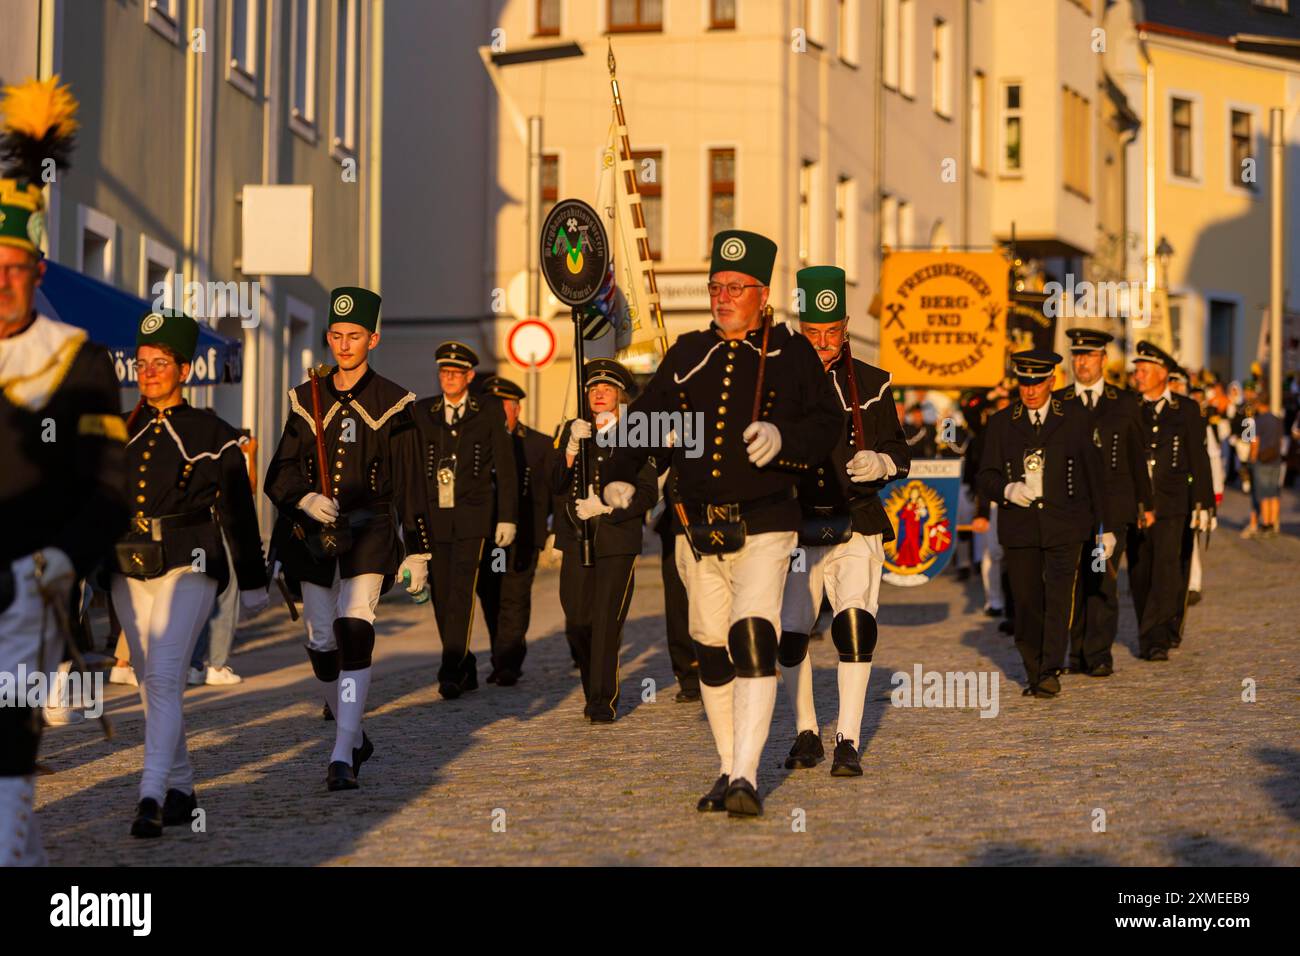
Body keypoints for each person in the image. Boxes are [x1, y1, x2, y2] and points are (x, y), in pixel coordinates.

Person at [600, 229, 843, 815]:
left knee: (751, 634)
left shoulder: (793, 354)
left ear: (763, 294)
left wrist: (785, 440)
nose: (723, 296)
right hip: (696, 529)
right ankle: (727, 764)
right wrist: (619, 472)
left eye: (736, 287)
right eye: (716, 286)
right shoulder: (686, 355)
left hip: (767, 522)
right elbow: (647, 422)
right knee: (710, 647)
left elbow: (827, 426)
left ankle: (747, 776)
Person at [0, 76, 129, 861]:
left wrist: (62, 560)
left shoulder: (77, 360)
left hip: (26, 585)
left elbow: (108, 489)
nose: (1, 281)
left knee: (8, 740)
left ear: (38, 273)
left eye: (15, 268)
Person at [264, 287, 429, 791]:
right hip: (314, 534)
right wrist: (305, 499)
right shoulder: (305, 397)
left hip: (372, 531)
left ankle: (341, 754)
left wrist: (418, 547)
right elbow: (278, 474)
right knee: (319, 637)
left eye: (354, 336)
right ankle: (354, 735)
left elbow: (411, 481)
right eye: (336, 335)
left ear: (373, 338)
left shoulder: (395, 403)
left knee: (354, 626)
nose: (344, 344)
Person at [111, 310, 269, 837]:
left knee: (162, 676)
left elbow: (238, 510)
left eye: (160, 363)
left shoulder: (213, 432)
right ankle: (180, 786)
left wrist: (252, 580)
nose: (149, 372)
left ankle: (150, 794)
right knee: (150, 683)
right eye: (142, 363)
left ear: (185, 368)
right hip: (126, 566)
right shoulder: (118, 431)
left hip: (191, 560)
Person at [777, 266, 909, 776]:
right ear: (800, 328)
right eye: (814, 334)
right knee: (791, 632)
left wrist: (882, 462)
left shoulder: (873, 383)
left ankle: (848, 740)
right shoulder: (779, 385)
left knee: (856, 624)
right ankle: (806, 731)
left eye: (833, 333)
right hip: (796, 521)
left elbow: (900, 450)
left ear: (847, 325)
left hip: (856, 518)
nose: (825, 344)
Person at [976, 350, 1105, 697]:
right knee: (1027, 601)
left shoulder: (1075, 418)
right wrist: (1006, 489)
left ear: (1052, 381)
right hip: (1020, 526)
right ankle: (1033, 666)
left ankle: (1048, 670)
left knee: (1059, 599)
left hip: (1066, 524)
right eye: (1024, 382)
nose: (1030, 390)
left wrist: (1101, 526)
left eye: (1037, 382)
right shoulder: (1002, 423)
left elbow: (1094, 474)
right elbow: (984, 476)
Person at [407, 342, 517, 698]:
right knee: (440, 593)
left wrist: (507, 517)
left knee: (461, 590)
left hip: (473, 514)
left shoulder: (487, 410)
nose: (449, 379)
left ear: (470, 376)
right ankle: (464, 661)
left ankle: (450, 668)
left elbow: (506, 466)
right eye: (444, 372)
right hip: (436, 515)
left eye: (456, 373)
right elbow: (411, 465)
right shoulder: (424, 412)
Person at [552, 359, 658, 722]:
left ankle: (602, 699)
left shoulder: (636, 432)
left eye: (607, 388)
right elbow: (551, 483)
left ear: (619, 395)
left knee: (606, 619)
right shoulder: (573, 429)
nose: (598, 393)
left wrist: (608, 506)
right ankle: (592, 683)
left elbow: (647, 493)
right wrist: (569, 448)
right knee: (578, 620)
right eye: (593, 388)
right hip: (574, 536)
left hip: (616, 538)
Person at [1055, 328, 1152, 678]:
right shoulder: (1060, 402)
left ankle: (1098, 653)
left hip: (1112, 507)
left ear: (1103, 360)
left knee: (1103, 579)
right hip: (1070, 507)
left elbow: (1136, 456)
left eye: (1089, 355)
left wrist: (1146, 503)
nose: (1082, 362)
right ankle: (1075, 652)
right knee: (1073, 580)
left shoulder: (1124, 402)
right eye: (1077, 355)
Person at [1125, 342, 1215, 661]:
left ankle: (1154, 638)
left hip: (1174, 501)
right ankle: (1159, 625)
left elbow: (1198, 457)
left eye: (1144, 370)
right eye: (1137, 370)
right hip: (1137, 501)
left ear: (1163, 374)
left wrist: (1204, 501)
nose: (1138, 375)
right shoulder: (1127, 407)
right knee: (1139, 570)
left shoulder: (1186, 409)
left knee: (1167, 567)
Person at [474, 375, 551, 685]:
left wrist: (546, 529)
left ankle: (509, 662)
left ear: (516, 410)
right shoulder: (479, 443)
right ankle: (499, 655)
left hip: (524, 538)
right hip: (491, 539)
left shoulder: (538, 444)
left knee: (515, 597)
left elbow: (545, 494)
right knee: (492, 595)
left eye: (500, 408)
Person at [1249, 392, 1284, 537]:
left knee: (1263, 494)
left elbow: (1254, 442)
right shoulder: (1277, 420)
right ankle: (1274, 523)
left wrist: (1252, 458)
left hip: (1262, 460)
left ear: (1259, 404)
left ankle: (1266, 523)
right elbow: (1281, 441)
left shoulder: (1257, 421)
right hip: (1275, 459)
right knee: (1274, 493)